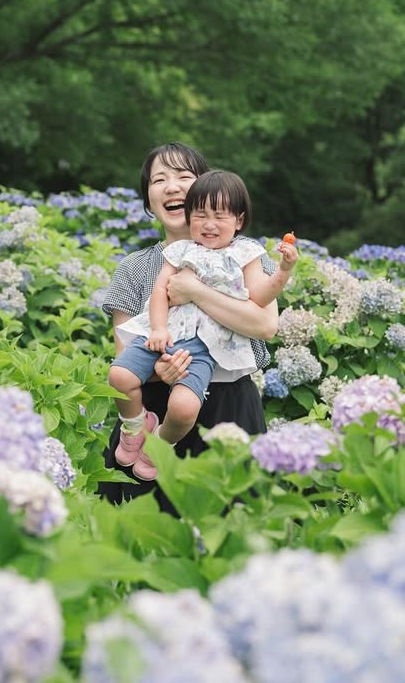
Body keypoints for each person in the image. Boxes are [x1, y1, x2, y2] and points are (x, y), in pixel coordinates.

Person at [98, 143, 280, 510]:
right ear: (148, 201)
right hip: (155, 412)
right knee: (142, 539)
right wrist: (161, 372)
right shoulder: (134, 268)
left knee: (232, 537)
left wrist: (193, 289)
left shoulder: (245, 254)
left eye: (184, 176)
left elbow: (264, 325)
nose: (172, 187)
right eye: (159, 179)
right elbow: (124, 358)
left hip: (228, 413)